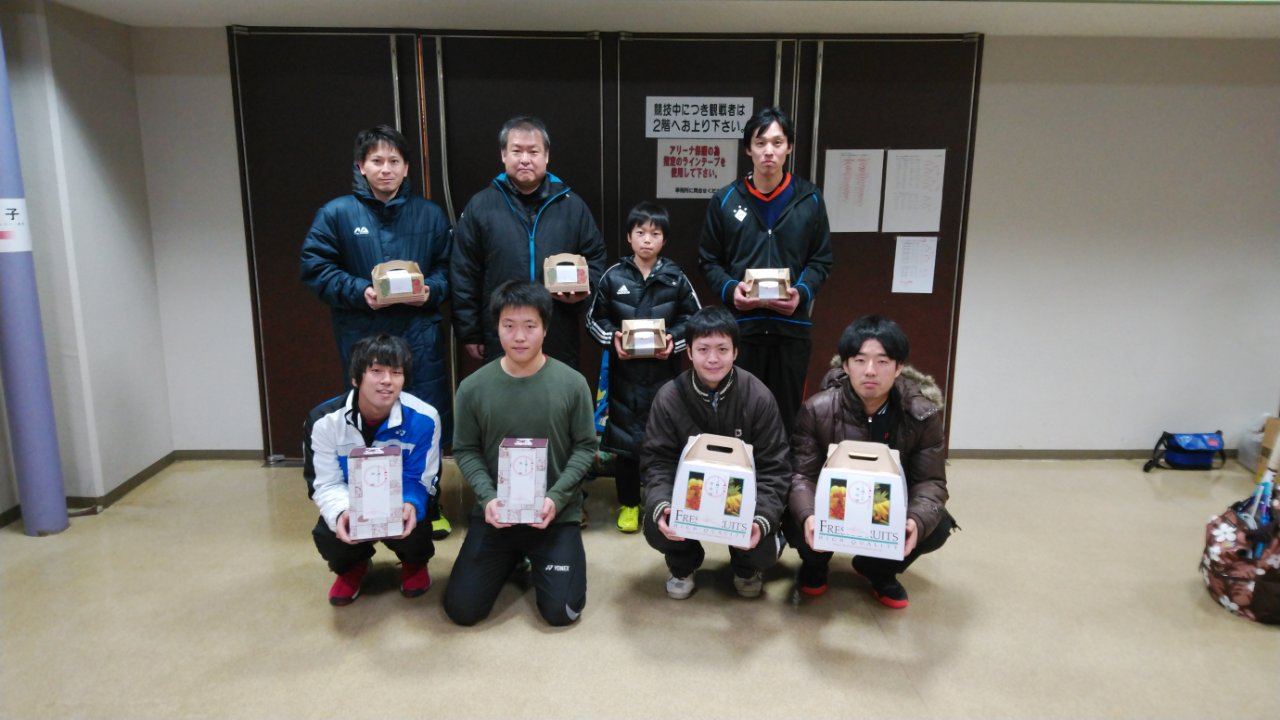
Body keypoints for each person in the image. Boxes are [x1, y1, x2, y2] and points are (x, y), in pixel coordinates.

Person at [300, 124, 454, 538]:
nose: (386, 169)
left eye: (394, 161)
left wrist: (431, 291)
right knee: (369, 421)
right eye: (377, 161)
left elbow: (449, 269)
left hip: (418, 335)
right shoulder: (336, 214)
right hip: (363, 335)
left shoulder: (430, 214)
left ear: (407, 168)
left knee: (423, 422)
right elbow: (314, 269)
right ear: (361, 166)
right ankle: (368, 504)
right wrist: (360, 291)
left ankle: (428, 504)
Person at [443, 281, 596, 626]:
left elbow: (586, 447)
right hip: (497, 515)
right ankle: (512, 557)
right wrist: (488, 498)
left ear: (545, 328)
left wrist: (556, 498)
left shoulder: (572, 384)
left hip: (554, 515)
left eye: (530, 326)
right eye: (509, 326)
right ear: (497, 327)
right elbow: (465, 449)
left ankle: (537, 556)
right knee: (462, 610)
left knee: (562, 612)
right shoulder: (473, 388)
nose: (519, 337)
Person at [786, 315, 956, 609]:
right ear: (846, 365)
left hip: (886, 505)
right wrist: (808, 516)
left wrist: (915, 521)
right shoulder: (817, 409)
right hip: (834, 501)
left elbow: (930, 482)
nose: (870, 371)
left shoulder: (921, 415)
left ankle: (877, 568)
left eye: (882, 361)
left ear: (899, 367)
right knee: (793, 512)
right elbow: (801, 475)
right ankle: (815, 563)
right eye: (860, 360)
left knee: (936, 525)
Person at [697, 106, 833, 435]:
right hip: (742, 330)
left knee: (787, 417)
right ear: (748, 149)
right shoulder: (725, 199)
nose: (768, 151)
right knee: (739, 415)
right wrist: (732, 290)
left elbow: (821, 260)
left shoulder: (810, 199)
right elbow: (708, 260)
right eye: (760, 143)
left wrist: (801, 293)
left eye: (777, 142)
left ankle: (781, 471)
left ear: (789, 147)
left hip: (791, 329)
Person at [639, 306, 790, 599]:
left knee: (764, 547)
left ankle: (746, 567)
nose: (712, 358)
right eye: (703, 349)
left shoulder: (758, 397)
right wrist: (662, 504)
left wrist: (762, 519)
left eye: (722, 349)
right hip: (690, 495)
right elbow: (657, 461)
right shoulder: (669, 396)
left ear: (735, 352)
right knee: (656, 524)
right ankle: (683, 565)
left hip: (742, 499)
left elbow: (775, 467)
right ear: (689, 352)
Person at [450, 115, 607, 371]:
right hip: (501, 329)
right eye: (517, 151)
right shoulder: (481, 206)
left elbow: (596, 256)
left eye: (533, 152)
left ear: (546, 156)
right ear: (503, 155)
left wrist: (584, 290)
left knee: (556, 392)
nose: (525, 159)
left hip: (557, 328)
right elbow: (464, 271)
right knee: (504, 393)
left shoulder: (572, 206)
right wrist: (470, 331)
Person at [303, 334, 443, 606]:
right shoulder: (323, 421)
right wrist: (343, 512)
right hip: (351, 501)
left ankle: (414, 563)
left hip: (398, 498)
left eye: (396, 372)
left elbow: (421, 478)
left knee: (418, 520)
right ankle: (353, 565)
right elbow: (325, 483)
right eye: (376, 371)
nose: (387, 380)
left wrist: (410, 504)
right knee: (329, 533)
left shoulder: (425, 418)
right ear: (356, 378)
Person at [587, 202, 701, 534]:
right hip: (625, 378)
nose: (647, 239)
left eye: (655, 233)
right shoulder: (613, 276)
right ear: (629, 237)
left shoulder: (676, 278)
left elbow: (694, 320)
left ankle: (663, 502)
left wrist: (674, 342)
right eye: (640, 232)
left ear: (664, 239)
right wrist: (613, 339)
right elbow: (594, 319)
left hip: (666, 378)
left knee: (666, 442)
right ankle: (629, 504)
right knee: (627, 446)